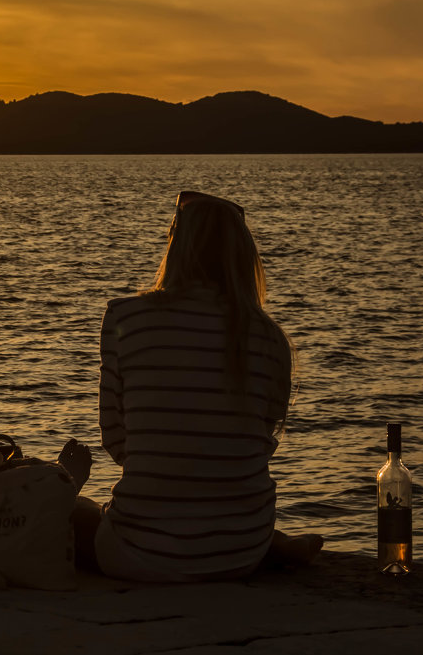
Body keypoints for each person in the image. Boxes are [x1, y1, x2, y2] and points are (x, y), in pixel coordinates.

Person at [72, 190, 322, 580]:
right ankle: (276, 543)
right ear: (243, 256)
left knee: (72, 509)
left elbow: (115, 439)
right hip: (242, 550)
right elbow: (255, 442)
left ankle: (260, 543)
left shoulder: (125, 317)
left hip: (139, 553)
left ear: (176, 245)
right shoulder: (271, 338)